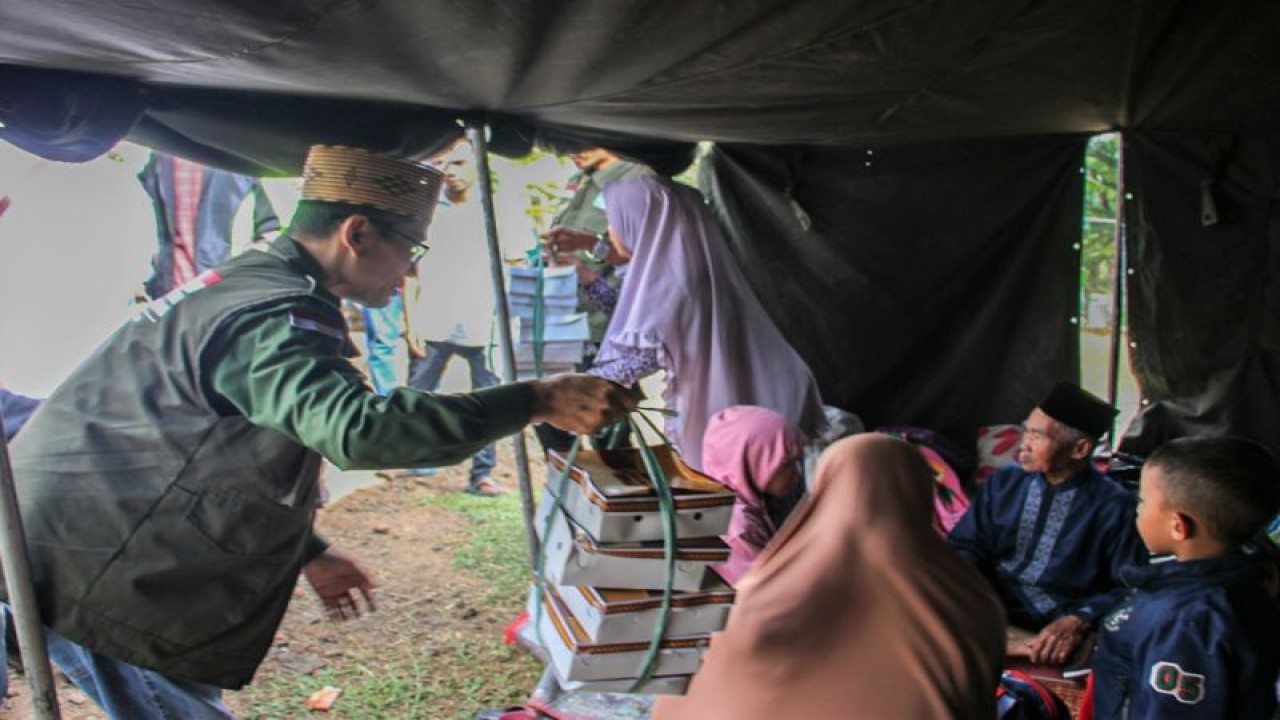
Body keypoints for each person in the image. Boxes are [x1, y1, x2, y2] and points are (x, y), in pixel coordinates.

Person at [0, 144, 633, 719]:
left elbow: (204, 447)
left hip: (80, 533)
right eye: (410, 248)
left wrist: (311, 550)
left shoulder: (257, 283)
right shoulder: (275, 311)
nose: (411, 272)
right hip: (97, 558)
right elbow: (361, 431)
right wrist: (536, 398)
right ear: (356, 233)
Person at [653, 434, 1007, 719]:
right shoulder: (972, 601)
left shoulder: (758, 599)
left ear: (823, 494)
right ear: (920, 496)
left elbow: (694, 694)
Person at [544, 168, 826, 470]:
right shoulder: (687, 269)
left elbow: (637, 355)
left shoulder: (673, 286)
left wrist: (545, 392)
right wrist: (588, 274)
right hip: (772, 395)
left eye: (614, 223)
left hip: (754, 420)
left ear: (641, 224)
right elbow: (633, 315)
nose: (610, 231)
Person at [948, 381, 1148, 666]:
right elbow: (966, 545)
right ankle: (1010, 639)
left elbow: (1130, 586)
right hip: (991, 603)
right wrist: (978, 596)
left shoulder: (1115, 507)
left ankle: (1007, 642)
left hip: (1060, 620)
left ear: (1079, 449)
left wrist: (1078, 619)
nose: (1023, 444)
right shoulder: (1005, 482)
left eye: (1037, 436)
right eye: (1025, 430)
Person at [1090, 436, 1280, 719]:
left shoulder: (1185, 622)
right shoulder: (1253, 583)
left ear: (1178, 526)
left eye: (1142, 501)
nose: (1137, 510)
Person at [401, 137, 504, 495]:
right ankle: (417, 459)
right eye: (444, 165)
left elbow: (517, 271)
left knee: (490, 403)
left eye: (459, 163)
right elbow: (410, 274)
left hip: (485, 325)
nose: (450, 173)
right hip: (433, 320)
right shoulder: (426, 214)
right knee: (418, 396)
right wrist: (410, 323)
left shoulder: (497, 212)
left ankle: (482, 474)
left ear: (478, 165)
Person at [137, 151, 281, 300]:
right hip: (169, 298)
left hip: (224, 297)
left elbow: (270, 234)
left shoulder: (240, 163)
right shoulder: (157, 162)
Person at [701, 405, 808, 586]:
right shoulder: (738, 529)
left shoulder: (748, 503)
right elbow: (773, 591)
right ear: (753, 462)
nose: (797, 473)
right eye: (787, 464)